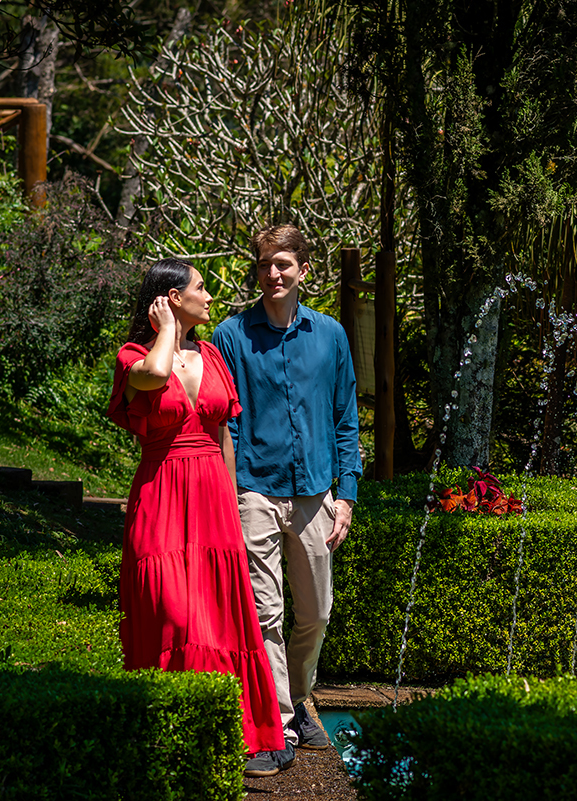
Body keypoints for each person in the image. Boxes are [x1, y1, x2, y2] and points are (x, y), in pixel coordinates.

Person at [106, 258, 287, 775]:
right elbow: (156, 374)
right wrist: (165, 330)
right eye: (201, 288)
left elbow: (226, 437)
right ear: (170, 298)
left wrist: (232, 506)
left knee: (220, 616)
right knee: (173, 612)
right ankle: (168, 728)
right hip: (161, 491)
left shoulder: (212, 354)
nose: (210, 297)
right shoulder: (133, 356)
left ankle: (235, 734)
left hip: (211, 493)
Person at [213, 225, 362, 774]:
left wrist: (345, 496)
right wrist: (228, 491)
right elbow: (222, 417)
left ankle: (299, 698)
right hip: (253, 489)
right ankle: (274, 726)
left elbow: (346, 420)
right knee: (265, 612)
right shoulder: (231, 335)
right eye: (263, 265)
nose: (272, 274)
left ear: (303, 269)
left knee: (316, 613)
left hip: (316, 494)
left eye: (282, 264)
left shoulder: (331, 336)